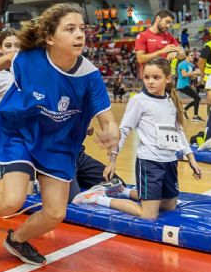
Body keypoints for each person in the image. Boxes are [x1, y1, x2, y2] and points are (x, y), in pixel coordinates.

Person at [0, 3, 120, 266]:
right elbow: (8, 59)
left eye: (81, 28)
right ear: (49, 37)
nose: (79, 34)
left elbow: (107, 118)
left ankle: (17, 239)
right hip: (16, 132)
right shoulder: (30, 57)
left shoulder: (89, 75)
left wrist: (111, 132)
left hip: (57, 144)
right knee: (12, 200)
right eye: (70, 29)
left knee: (56, 213)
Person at [74, 58, 202, 219]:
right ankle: (96, 198)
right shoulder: (139, 101)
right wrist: (112, 160)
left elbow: (178, 131)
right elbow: (124, 130)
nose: (150, 82)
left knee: (169, 206)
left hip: (170, 162)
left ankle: (123, 191)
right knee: (148, 215)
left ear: (168, 78)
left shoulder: (171, 101)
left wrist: (191, 157)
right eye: (147, 77)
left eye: (156, 77)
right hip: (150, 163)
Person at [134, 9, 183, 76]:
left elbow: (183, 54)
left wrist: (175, 52)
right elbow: (140, 59)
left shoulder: (169, 36)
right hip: (149, 78)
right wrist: (161, 52)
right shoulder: (143, 36)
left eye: (170, 23)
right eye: (167, 22)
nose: (168, 26)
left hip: (165, 77)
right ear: (158, 18)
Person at [176, 52, 203, 121]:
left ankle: (185, 110)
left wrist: (197, 75)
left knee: (197, 98)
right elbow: (184, 74)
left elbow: (191, 78)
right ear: (186, 56)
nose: (193, 57)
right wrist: (194, 72)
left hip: (186, 84)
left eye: (193, 55)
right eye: (191, 55)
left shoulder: (190, 65)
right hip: (182, 85)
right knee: (197, 98)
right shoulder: (183, 64)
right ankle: (194, 116)